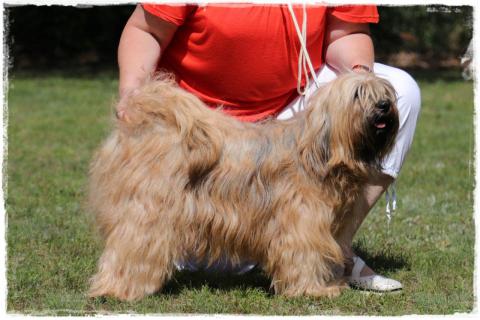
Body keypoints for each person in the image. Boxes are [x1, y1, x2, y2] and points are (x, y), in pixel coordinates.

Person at [116, 3, 421, 292]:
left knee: (401, 90)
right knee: (221, 263)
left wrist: (359, 78)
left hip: (295, 101)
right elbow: (147, 30)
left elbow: (348, 32)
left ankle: (334, 246)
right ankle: (280, 245)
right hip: (202, 126)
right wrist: (132, 91)